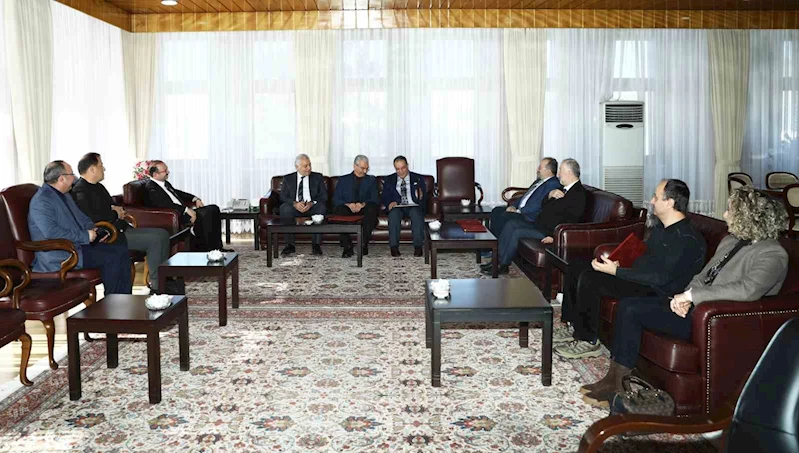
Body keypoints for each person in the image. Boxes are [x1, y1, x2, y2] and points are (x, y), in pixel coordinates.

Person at [581, 186, 790, 408]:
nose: (725, 214)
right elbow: (702, 276)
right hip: (693, 308)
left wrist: (693, 296)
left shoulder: (773, 254)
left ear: (749, 216)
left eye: (730, 210)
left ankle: (617, 387)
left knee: (632, 309)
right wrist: (685, 297)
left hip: (714, 321)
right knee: (629, 307)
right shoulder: (730, 241)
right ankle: (614, 381)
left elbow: (748, 289)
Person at [553, 179, 706, 360]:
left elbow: (660, 278)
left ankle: (588, 340)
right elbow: (644, 258)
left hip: (658, 292)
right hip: (642, 280)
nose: (652, 201)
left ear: (670, 203)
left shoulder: (686, 239)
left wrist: (617, 272)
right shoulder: (661, 229)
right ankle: (573, 325)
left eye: (656, 197)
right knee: (577, 265)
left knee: (590, 279)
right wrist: (621, 264)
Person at [71, 153, 175, 294]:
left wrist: (116, 211)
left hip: (120, 228)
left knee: (162, 234)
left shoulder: (98, 187)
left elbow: (113, 207)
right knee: (156, 239)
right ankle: (157, 286)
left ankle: (164, 281)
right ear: (92, 169)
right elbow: (92, 218)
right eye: (101, 165)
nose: (104, 169)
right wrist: (115, 213)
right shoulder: (80, 191)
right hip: (110, 235)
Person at [28, 161, 132, 295]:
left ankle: (123, 300)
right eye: (71, 174)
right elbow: (51, 232)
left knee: (120, 247)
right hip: (60, 254)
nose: (75, 178)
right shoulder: (41, 200)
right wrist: (85, 236)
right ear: (62, 178)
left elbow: (82, 218)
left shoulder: (65, 194)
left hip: (78, 247)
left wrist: (93, 229)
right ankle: (113, 302)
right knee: (113, 256)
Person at [481, 158, 587, 276]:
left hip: (548, 232)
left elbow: (572, 219)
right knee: (510, 224)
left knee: (516, 231)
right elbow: (545, 205)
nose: (558, 174)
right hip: (540, 224)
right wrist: (549, 195)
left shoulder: (578, 193)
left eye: (561, 170)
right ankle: (496, 261)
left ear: (569, 172)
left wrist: (554, 236)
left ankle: (502, 264)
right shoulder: (563, 189)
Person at [144, 160, 228, 252]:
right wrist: (186, 210)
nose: (168, 172)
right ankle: (208, 249)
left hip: (182, 211)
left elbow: (179, 193)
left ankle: (217, 248)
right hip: (174, 215)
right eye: (165, 171)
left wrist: (194, 198)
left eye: (167, 169)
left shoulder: (164, 183)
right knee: (206, 214)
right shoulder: (151, 187)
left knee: (213, 209)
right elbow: (164, 204)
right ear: (155, 174)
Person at [489, 157, 561, 239]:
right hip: (522, 211)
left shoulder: (553, 183)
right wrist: (513, 206)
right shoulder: (539, 181)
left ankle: (497, 243)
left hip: (530, 216)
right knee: (496, 211)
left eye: (540, 167)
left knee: (505, 216)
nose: (537, 169)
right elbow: (525, 196)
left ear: (548, 170)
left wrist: (518, 211)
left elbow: (538, 204)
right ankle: (492, 242)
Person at [279, 154, 328, 256]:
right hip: (295, 207)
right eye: (305, 166)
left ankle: (316, 245)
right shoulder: (288, 178)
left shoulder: (318, 177)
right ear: (297, 167)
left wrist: (311, 203)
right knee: (284, 208)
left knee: (321, 207)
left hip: (312, 206)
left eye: (309, 165)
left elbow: (323, 196)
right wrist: (295, 204)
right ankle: (289, 245)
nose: (309, 168)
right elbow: (283, 197)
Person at [331, 155, 379, 258]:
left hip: (364, 209)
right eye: (362, 168)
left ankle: (363, 244)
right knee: (339, 211)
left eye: (367, 168)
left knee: (372, 209)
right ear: (354, 166)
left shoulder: (371, 180)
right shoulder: (343, 180)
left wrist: (362, 204)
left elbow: (375, 199)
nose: (365, 171)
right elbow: (336, 199)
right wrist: (348, 204)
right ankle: (347, 246)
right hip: (348, 208)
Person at [382, 155, 427, 257]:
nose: (401, 171)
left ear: (407, 166)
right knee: (393, 214)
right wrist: (390, 203)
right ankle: (394, 247)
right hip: (398, 206)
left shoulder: (418, 178)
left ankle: (418, 247)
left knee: (416, 214)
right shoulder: (389, 179)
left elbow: (425, 197)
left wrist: (420, 196)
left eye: (403, 168)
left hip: (413, 205)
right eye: (397, 169)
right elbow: (384, 196)